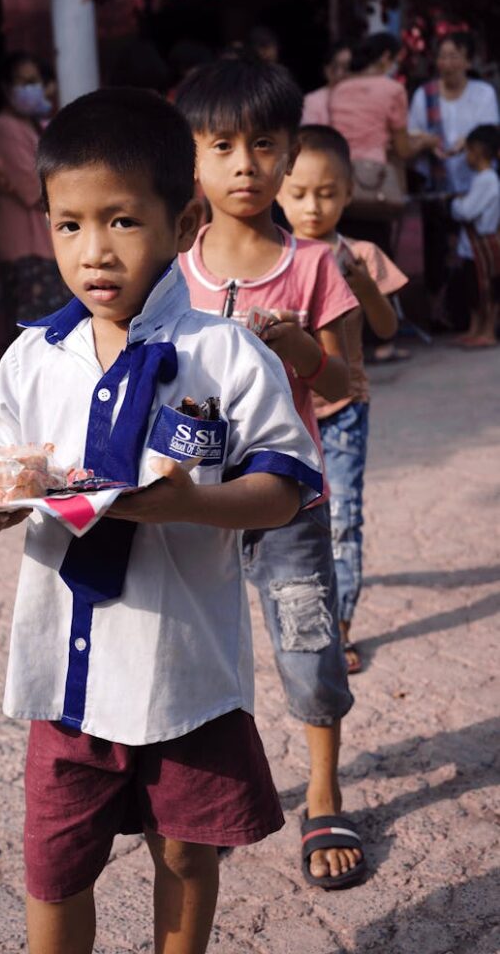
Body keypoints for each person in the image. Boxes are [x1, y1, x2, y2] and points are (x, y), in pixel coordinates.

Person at [0, 87, 326, 954]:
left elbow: (286, 485)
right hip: (66, 688)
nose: (92, 251)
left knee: (183, 852)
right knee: (56, 870)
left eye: (120, 222)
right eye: (68, 225)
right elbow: (14, 474)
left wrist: (192, 504)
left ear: (181, 225)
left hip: (184, 672)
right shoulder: (33, 358)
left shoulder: (223, 354)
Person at [176, 58, 368, 890]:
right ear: (193, 155)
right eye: (223, 146)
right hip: (190, 501)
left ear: (290, 153)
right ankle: (200, 800)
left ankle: (323, 788)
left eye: (263, 145)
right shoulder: (173, 269)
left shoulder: (315, 264)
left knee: (306, 640)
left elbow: (346, 382)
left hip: (288, 500)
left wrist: (300, 351)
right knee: (196, 650)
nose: (245, 164)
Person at [277, 124, 408, 672]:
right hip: (286, 416)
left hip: (345, 410)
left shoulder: (361, 254)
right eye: (300, 193)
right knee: (290, 520)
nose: (313, 207)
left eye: (327, 193)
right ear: (280, 190)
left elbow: (387, 329)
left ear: (349, 191)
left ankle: (341, 627)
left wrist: (367, 286)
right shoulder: (274, 257)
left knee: (344, 518)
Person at [409, 32, 500, 328]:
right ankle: (439, 313)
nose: (446, 63)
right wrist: (427, 143)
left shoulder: (483, 93)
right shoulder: (425, 95)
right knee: (437, 252)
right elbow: (412, 136)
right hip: (439, 187)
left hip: (474, 184)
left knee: (475, 258)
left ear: (468, 60)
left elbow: (489, 131)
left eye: (454, 55)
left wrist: (466, 144)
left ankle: (472, 316)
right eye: (442, 56)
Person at [0, 51, 71, 354]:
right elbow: (37, 189)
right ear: (6, 88)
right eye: (23, 82)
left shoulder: (31, 125)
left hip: (41, 247)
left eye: (35, 81)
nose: (31, 88)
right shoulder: (5, 129)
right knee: (35, 341)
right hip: (25, 249)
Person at [323, 32, 439, 254]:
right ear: (386, 57)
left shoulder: (339, 89)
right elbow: (403, 149)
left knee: (344, 257)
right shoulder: (393, 89)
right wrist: (425, 143)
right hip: (375, 185)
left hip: (341, 181)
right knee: (377, 262)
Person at [449, 124, 500, 346]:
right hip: (473, 246)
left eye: (468, 151)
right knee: (474, 290)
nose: (466, 157)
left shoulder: (487, 180)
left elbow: (467, 211)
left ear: (477, 151)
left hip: (483, 244)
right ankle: (475, 328)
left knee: (486, 289)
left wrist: (456, 203)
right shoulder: (483, 179)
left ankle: (487, 331)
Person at [302, 40, 352, 125]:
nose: (339, 74)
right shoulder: (312, 101)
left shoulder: (365, 97)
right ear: (325, 69)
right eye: (334, 67)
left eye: (346, 67)